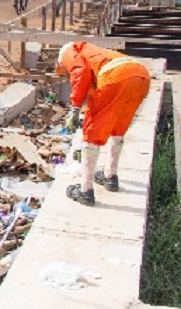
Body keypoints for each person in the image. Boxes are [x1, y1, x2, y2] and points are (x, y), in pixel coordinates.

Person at [57, 42, 151, 206]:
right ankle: (110, 176)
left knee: (92, 133)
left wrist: (75, 107)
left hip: (116, 76)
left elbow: (80, 72)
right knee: (118, 128)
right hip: (141, 75)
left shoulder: (69, 52)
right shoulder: (95, 53)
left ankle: (85, 191)